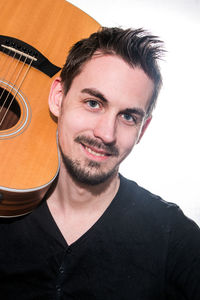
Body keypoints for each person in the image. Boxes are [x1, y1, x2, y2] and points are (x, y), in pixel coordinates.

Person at [0, 27, 200, 299]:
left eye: (128, 117)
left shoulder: (174, 238)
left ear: (143, 129)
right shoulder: (6, 200)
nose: (106, 134)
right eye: (93, 103)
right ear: (59, 98)